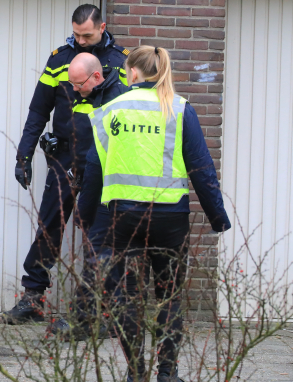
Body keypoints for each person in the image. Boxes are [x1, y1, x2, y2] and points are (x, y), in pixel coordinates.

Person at [77, 46, 231, 382]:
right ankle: (167, 372)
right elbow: (202, 169)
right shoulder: (179, 108)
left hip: (123, 219)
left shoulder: (109, 110)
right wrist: (217, 217)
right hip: (170, 220)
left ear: (132, 73)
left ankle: (136, 371)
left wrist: (85, 216)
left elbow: (93, 171)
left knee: (128, 297)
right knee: (169, 297)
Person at [7, 4, 129, 324]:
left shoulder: (120, 63)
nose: (81, 40)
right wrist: (24, 155)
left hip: (102, 165)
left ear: (102, 28)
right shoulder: (60, 58)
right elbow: (38, 111)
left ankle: (95, 308)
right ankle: (32, 297)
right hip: (63, 160)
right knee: (49, 226)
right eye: (76, 34)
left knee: (99, 235)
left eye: (87, 35)